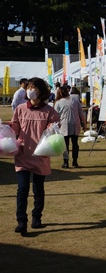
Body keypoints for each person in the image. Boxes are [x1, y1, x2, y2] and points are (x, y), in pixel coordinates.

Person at [10, 77, 59, 234]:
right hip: (23, 154)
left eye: (34, 87)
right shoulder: (20, 109)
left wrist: (53, 128)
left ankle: (37, 217)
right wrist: (7, 127)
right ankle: (21, 221)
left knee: (38, 189)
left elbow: (54, 129)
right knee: (22, 189)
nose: (30, 90)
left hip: (41, 155)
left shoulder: (50, 111)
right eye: (29, 87)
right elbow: (15, 127)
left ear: (41, 91)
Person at [54, 85, 87, 168]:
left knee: (65, 145)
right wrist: (84, 124)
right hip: (75, 124)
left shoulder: (58, 102)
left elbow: (55, 116)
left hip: (64, 125)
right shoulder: (75, 100)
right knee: (75, 143)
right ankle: (75, 161)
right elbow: (81, 114)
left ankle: (66, 162)